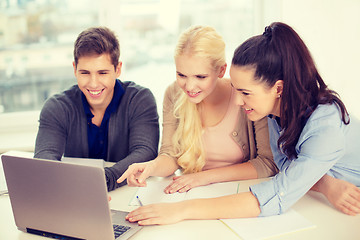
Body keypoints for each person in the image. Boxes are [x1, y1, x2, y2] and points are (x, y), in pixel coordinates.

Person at [124, 22, 360, 225]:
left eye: (245, 93)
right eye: (236, 90)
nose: (237, 101)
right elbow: (289, 171)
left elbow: (275, 195)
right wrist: (326, 184)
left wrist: (182, 210)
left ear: (278, 88)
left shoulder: (324, 126)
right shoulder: (274, 114)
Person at [117, 25, 277, 194]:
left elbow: (267, 163)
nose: (189, 86)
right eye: (181, 75)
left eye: (201, 76)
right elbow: (170, 156)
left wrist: (204, 178)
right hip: (192, 192)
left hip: (240, 193)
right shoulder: (173, 93)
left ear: (221, 70)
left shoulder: (245, 95)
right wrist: (150, 167)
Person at [34, 27, 159, 191]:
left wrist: (101, 182)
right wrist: (75, 188)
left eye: (102, 73)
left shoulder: (139, 99)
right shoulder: (57, 107)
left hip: (127, 190)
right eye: (85, 73)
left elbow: (145, 152)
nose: (93, 83)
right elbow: (45, 158)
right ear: (74, 69)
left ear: (118, 69)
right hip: (74, 193)